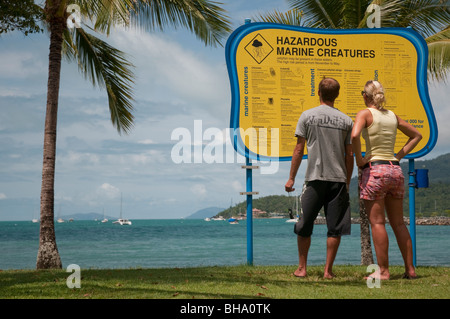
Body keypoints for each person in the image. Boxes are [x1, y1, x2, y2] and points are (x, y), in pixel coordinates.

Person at [351, 80, 422, 280]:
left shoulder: (365, 113)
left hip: (375, 170)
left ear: (366, 96)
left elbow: (355, 135)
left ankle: (383, 272)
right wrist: (398, 156)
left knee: (378, 223)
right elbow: (417, 135)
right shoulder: (392, 116)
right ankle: (410, 270)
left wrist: (360, 159)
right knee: (399, 223)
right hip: (395, 170)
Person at [285, 77, 354, 279]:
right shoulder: (346, 120)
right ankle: (328, 271)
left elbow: (299, 149)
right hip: (338, 180)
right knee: (335, 228)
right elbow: (348, 155)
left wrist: (291, 178)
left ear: (319, 92)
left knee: (305, 224)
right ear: (337, 95)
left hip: (314, 179)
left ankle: (302, 268)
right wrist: (347, 181)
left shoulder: (307, 116)